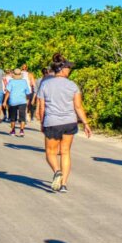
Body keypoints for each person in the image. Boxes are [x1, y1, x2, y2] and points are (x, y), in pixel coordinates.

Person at [36, 54, 92, 193]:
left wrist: (43, 123)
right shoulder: (73, 85)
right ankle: (64, 184)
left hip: (52, 122)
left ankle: (57, 172)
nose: (69, 70)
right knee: (65, 152)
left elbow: (42, 107)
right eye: (68, 68)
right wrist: (85, 123)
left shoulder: (45, 84)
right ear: (61, 69)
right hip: (69, 122)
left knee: (51, 152)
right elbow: (78, 107)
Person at [4, 68, 32, 137]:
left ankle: (13, 130)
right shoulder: (24, 82)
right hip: (22, 101)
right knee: (22, 117)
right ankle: (21, 131)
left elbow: (8, 92)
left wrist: (4, 101)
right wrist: (28, 100)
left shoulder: (11, 81)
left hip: (13, 101)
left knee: (13, 117)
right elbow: (28, 92)